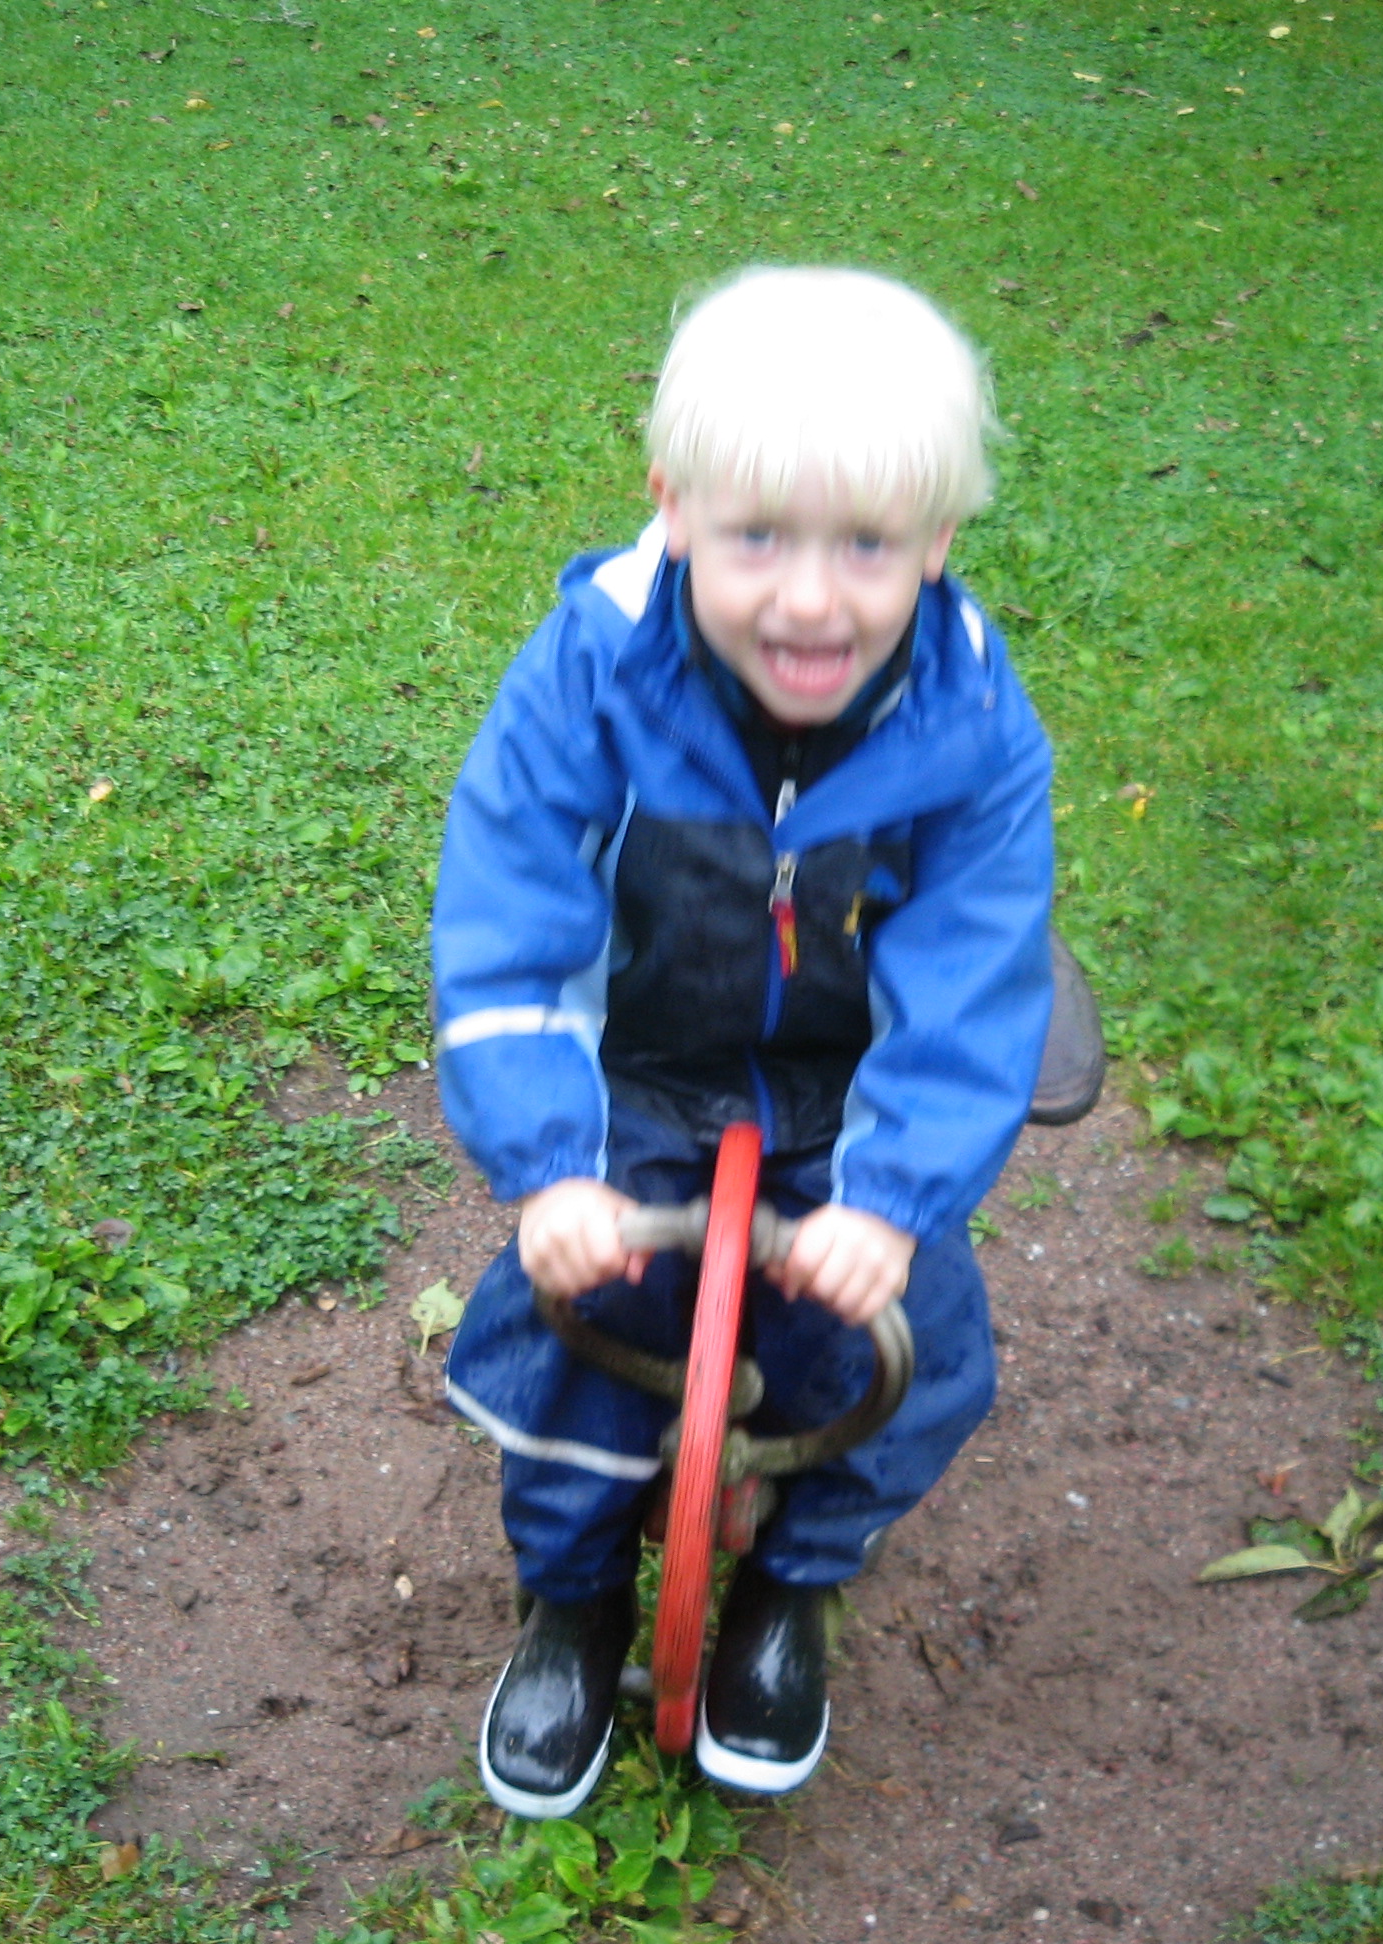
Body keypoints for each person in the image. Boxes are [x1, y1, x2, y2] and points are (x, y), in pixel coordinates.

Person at [430, 266, 1060, 1817]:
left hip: (845, 1088)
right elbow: (509, 917)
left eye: (867, 545)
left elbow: (974, 976)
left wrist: (891, 1200)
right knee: (580, 1316)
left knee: (909, 1342)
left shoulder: (969, 723)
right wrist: (550, 1164)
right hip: (643, 1070)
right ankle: (571, 1598)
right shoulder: (592, 674)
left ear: (939, 540)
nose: (811, 602)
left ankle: (796, 1580)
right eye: (759, 536)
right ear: (674, 506)